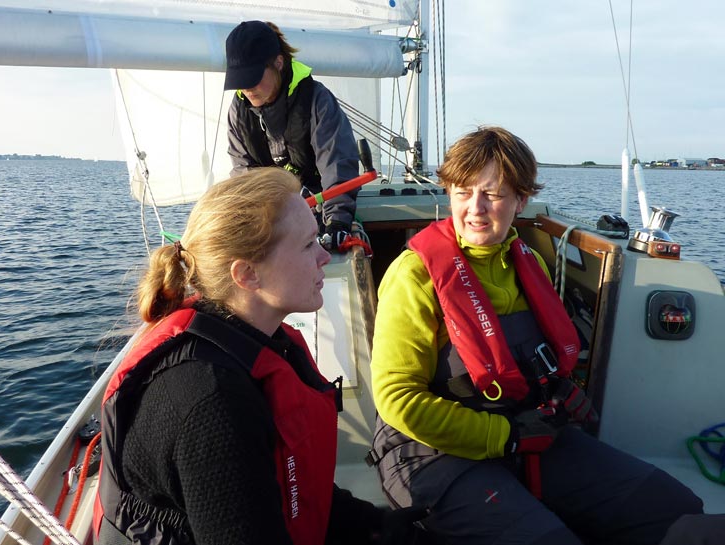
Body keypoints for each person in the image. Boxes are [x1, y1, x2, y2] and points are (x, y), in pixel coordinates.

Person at [367, 126, 704, 544]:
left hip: (523, 428)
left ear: (520, 200)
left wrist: (559, 389)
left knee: (675, 509)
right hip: (429, 453)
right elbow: (399, 400)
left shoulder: (529, 265)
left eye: (492, 194)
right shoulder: (414, 275)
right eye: (462, 192)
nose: (475, 209)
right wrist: (503, 439)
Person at [93, 168, 422, 545]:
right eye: (307, 244)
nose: (323, 257)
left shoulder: (252, 340)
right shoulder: (211, 403)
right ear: (247, 274)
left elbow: (290, 491)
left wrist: (379, 526)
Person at [224, 20, 359, 250]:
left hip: (320, 208)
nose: (246, 87)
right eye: (240, 79)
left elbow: (336, 163)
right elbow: (243, 176)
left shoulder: (316, 100)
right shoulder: (239, 112)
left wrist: (337, 222)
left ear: (278, 63)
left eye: (252, 77)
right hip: (272, 215)